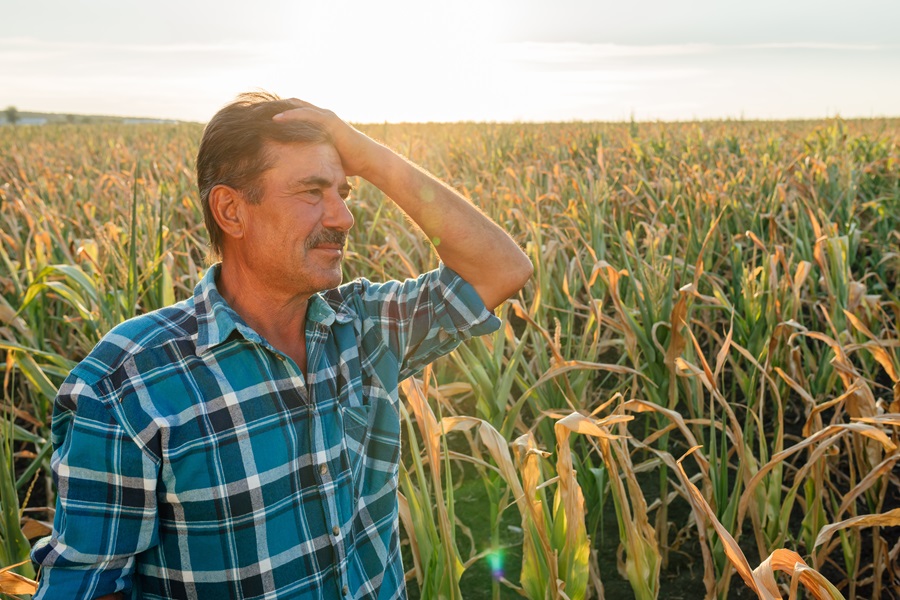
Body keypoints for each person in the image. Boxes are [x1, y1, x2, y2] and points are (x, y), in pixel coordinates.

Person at [30, 92, 532, 599]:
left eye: (345, 192)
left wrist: (368, 154)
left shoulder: (362, 328)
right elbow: (88, 588)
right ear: (231, 210)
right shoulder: (130, 384)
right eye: (312, 191)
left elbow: (501, 269)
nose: (343, 218)